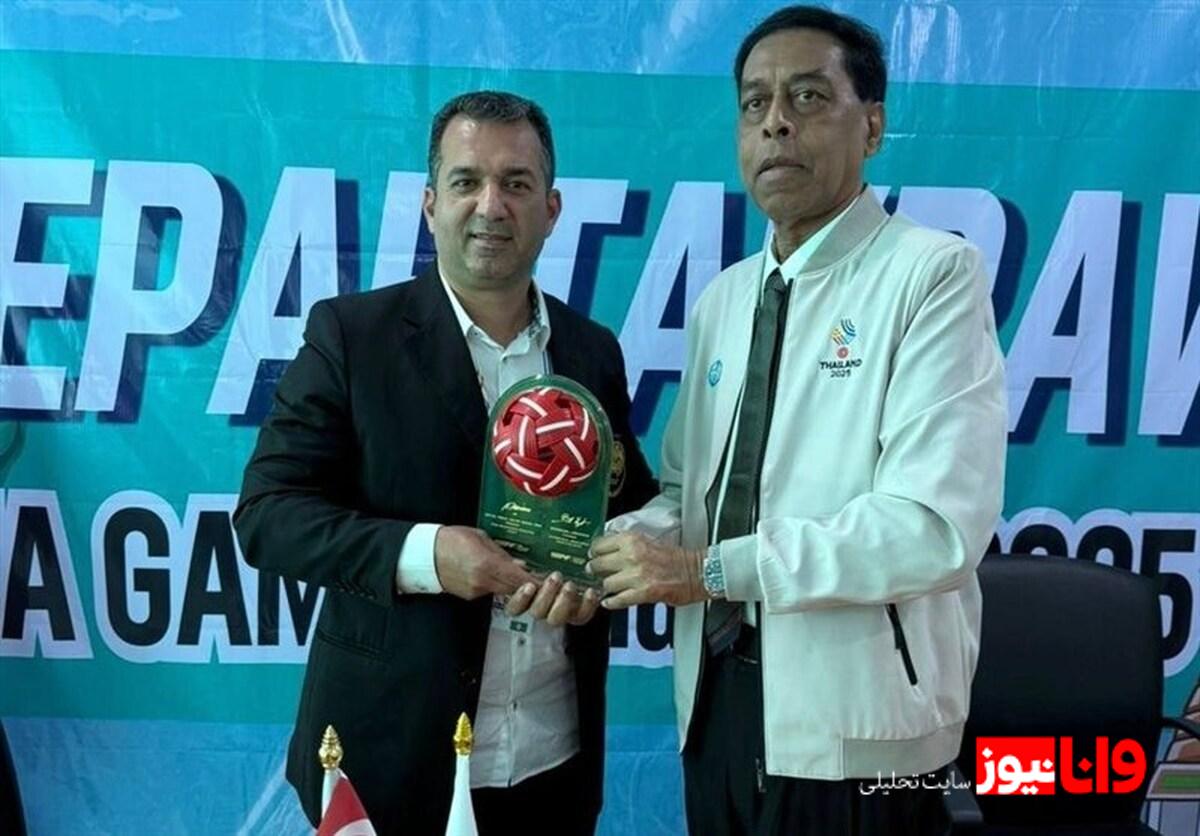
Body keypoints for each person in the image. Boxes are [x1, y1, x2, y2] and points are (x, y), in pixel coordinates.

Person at [589, 6, 1006, 835]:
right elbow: (688, 495)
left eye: (808, 97)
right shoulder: (724, 300)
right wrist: (601, 550)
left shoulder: (931, 274)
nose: (775, 121)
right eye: (755, 103)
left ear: (872, 126)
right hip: (716, 707)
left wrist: (710, 571)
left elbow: (930, 528)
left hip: (861, 730)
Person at [234, 90, 656, 836]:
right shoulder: (353, 337)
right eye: (467, 181)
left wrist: (599, 576)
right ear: (431, 206)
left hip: (553, 764)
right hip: (386, 765)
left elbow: (625, 506)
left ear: (552, 209)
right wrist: (429, 556)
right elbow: (269, 516)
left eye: (517, 183)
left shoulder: (592, 352)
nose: (491, 205)